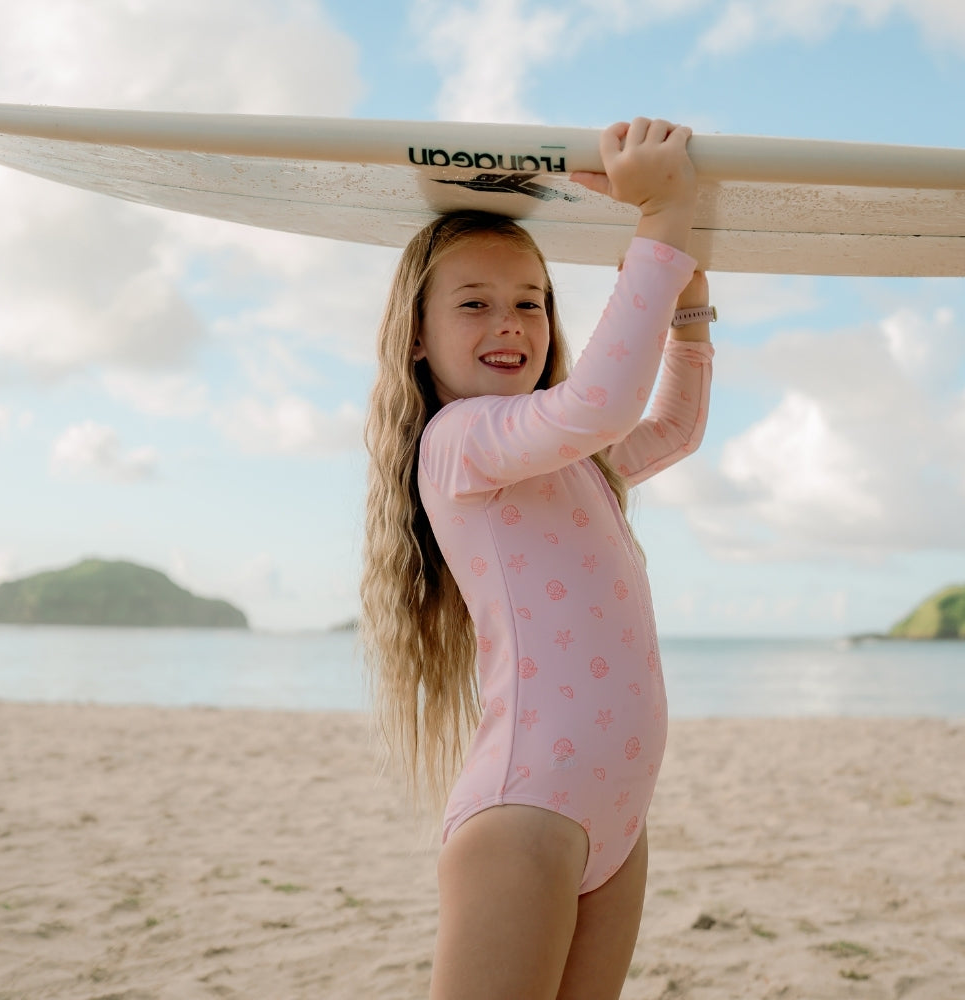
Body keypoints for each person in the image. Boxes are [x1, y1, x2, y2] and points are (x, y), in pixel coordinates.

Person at [361, 117, 714, 1000]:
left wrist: (692, 312)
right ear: (417, 335)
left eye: (531, 300)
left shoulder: (564, 458)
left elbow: (667, 429)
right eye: (474, 302)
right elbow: (598, 403)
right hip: (526, 812)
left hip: (615, 818)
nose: (511, 322)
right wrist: (660, 220)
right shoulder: (460, 441)